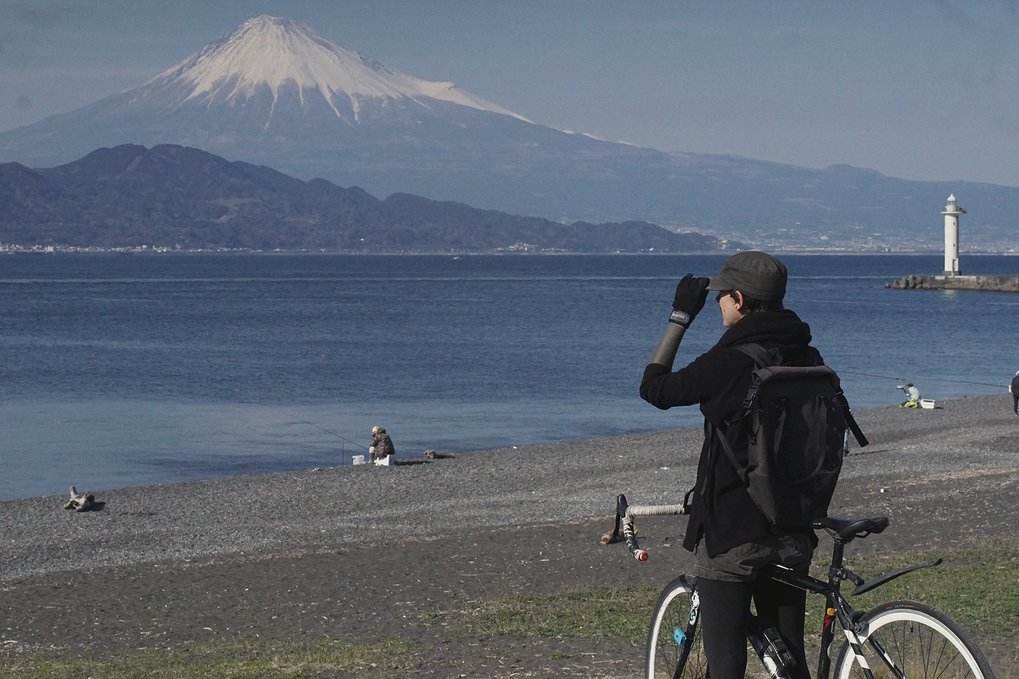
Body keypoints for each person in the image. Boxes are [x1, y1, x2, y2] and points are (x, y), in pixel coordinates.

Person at [639, 251, 823, 679]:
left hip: (733, 534)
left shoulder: (732, 360)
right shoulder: (807, 354)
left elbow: (655, 388)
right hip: (793, 524)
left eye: (722, 295)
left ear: (738, 299)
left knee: (726, 665)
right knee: (791, 662)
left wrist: (680, 316)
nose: (719, 302)